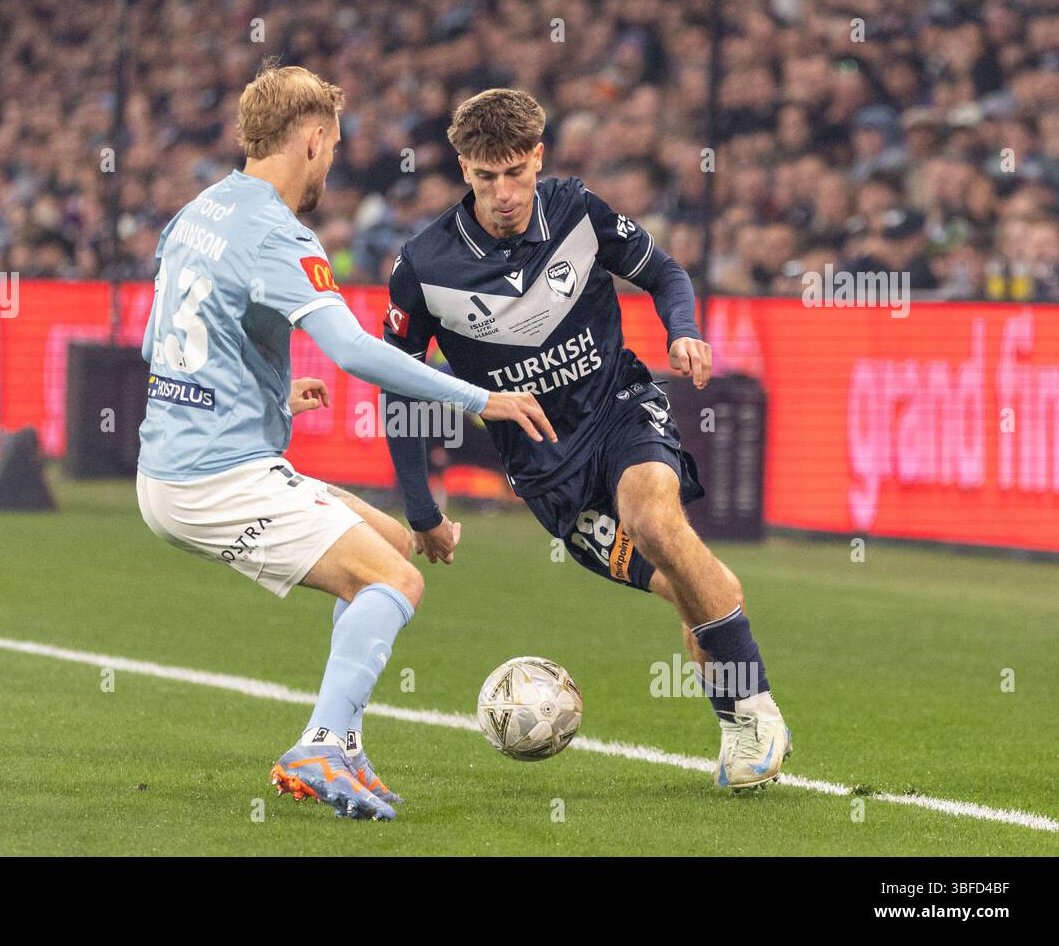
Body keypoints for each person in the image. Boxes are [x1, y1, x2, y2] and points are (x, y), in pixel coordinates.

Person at [134, 63, 553, 821]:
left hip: (179, 461)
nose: (331, 161)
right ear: (313, 139)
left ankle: (345, 747)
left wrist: (267, 390)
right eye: (331, 146)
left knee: (392, 545)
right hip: (213, 477)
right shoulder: (276, 233)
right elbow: (355, 352)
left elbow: (163, 344)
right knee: (397, 583)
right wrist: (480, 399)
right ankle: (321, 743)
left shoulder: (197, 212)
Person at [382, 89, 791, 790]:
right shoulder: (425, 266)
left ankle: (752, 713)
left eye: (516, 172)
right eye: (486, 177)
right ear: (463, 170)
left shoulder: (578, 211)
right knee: (689, 586)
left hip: (620, 409)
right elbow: (399, 386)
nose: (504, 192)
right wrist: (422, 511)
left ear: (538, 158)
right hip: (548, 475)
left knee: (655, 518)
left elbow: (663, 271)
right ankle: (735, 702)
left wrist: (682, 329)